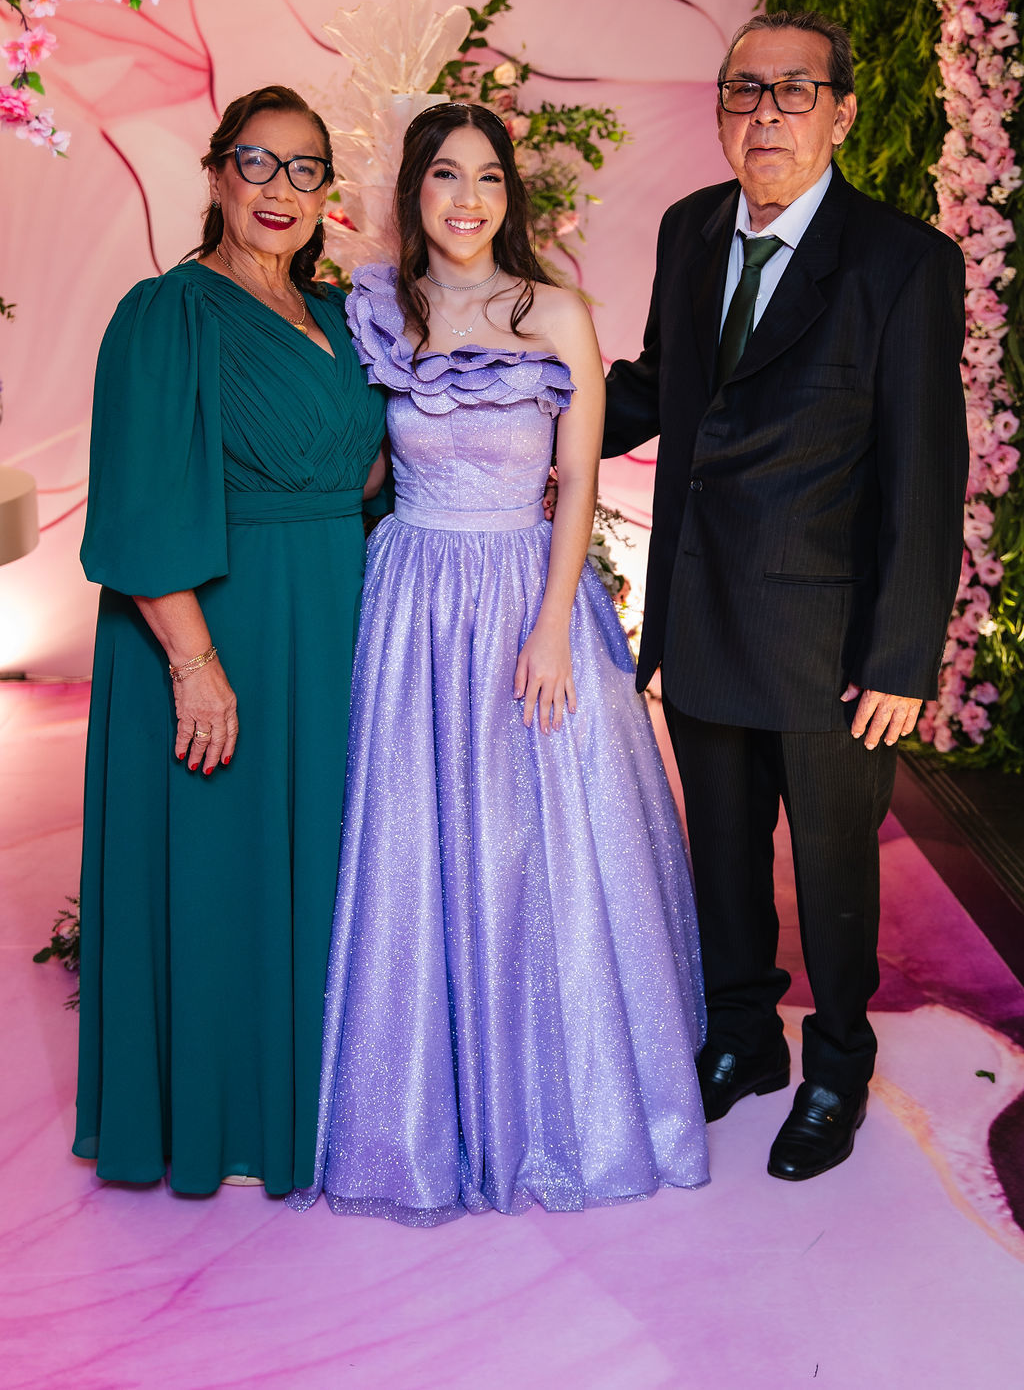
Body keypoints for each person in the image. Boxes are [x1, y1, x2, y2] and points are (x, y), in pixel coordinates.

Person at [289, 101, 709, 1225]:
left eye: (486, 176)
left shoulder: (556, 311)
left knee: (544, 846)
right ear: (413, 190)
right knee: (411, 844)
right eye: (444, 175)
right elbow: (357, 466)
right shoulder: (375, 311)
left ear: (510, 194)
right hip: (411, 599)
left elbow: (577, 482)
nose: (466, 198)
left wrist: (552, 620)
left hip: (527, 587)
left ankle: (563, 1104)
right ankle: (415, 1110)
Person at [602, 10, 969, 1181]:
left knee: (832, 870)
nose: (764, 114)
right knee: (720, 854)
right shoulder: (689, 229)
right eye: (743, 91)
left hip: (829, 642)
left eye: (792, 90)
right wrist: (519, 414)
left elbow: (924, 467)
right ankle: (744, 1039)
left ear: (841, 112)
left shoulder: (902, 262)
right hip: (701, 610)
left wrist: (902, 656)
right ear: (719, 110)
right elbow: (661, 386)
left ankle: (837, 1066)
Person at [73, 85, 386, 1194]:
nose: (280, 188)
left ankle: (311, 1104)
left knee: (320, 866)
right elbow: (141, 500)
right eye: (258, 162)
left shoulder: (342, 317)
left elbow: (374, 468)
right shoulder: (168, 313)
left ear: (327, 192)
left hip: (329, 619)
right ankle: (221, 1116)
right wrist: (195, 667)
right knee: (220, 868)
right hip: (214, 625)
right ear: (217, 174)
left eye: (305, 169)